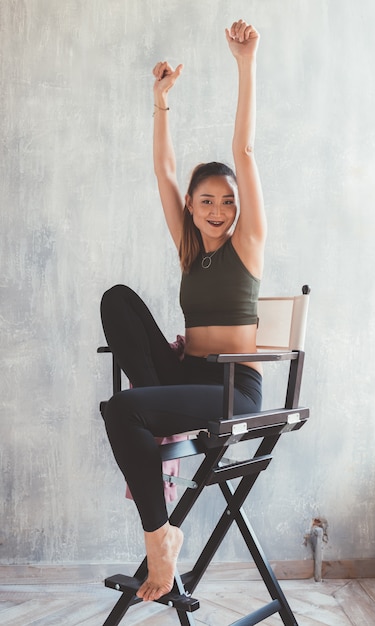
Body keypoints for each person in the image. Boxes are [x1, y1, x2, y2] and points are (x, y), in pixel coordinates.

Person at [100, 19, 266, 603]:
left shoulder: (248, 246)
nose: (217, 209)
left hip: (231, 389)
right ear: (192, 210)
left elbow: (243, 150)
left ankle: (158, 539)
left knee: (120, 411)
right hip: (184, 377)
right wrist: (160, 103)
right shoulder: (189, 251)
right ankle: (156, 428)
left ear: (238, 209)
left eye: (227, 201)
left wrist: (244, 63)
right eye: (206, 201)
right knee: (116, 298)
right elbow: (164, 173)